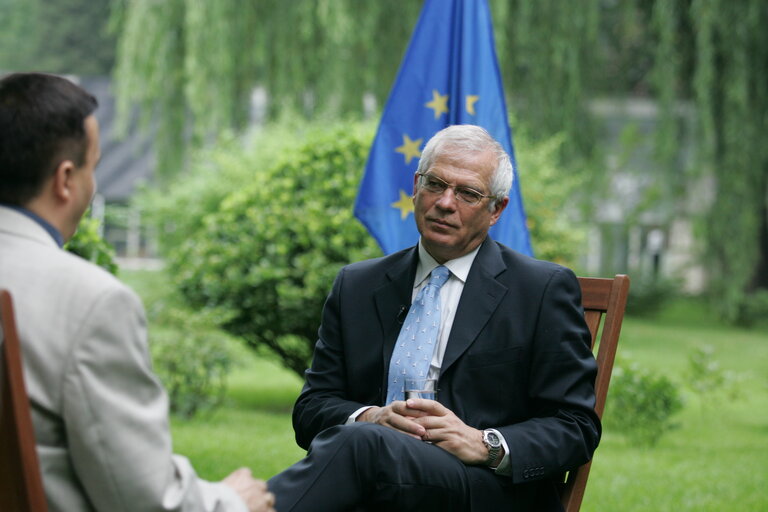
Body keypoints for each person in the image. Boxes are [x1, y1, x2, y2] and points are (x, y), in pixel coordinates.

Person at [267, 124, 601, 511]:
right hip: (374, 472)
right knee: (365, 441)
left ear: (496, 210)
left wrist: (484, 444)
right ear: (415, 186)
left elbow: (576, 426)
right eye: (435, 184)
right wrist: (371, 417)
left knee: (361, 445)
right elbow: (312, 409)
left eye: (468, 194)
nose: (444, 202)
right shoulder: (358, 285)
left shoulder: (540, 290)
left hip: (481, 489)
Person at [0, 72, 275, 512]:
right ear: (66, 179)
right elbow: (143, 498)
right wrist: (231, 501)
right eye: (94, 166)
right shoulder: (88, 301)